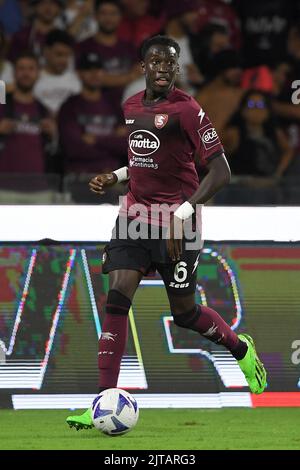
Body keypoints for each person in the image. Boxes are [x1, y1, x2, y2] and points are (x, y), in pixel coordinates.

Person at [66, 35, 267, 430]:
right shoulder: (130, 106)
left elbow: (221, 171)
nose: (162, 67)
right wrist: (118, 175)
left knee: (185, 314)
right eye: (155, 60)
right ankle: (102, 403)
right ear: (142, 66)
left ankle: (241, 350)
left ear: (177, 68)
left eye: (170, 62)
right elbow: (146, 159)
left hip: (180, 223)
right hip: (135, 219)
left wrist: (183, 212)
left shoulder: (188, 110)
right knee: (116, 300)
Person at [58, 52, 127, 175]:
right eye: (88, 69)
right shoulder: (70, 106)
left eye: (98, 69)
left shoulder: (113, 105)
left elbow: (125, 145)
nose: (94, 74)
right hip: (80, 178)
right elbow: (73, 149)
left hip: (111, 180)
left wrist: (96, 140)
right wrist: (112, 139)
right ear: (79, 73)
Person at [0, 52, 57, 175]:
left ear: (38, 74)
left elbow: (53, 149)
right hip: (4, 186)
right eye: (21, 68)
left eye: (31, 69)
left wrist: (53, 135)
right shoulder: (2, 105)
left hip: (38, 187)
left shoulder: (44, 110)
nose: (26, 74)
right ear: (14, 73)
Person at [76, 0, 140, 107]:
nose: (108, 18)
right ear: (95, 16)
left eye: (113, 13)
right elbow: (93, 78)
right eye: (103, 13)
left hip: (128, 105)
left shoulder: (129, 47)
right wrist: (129, 77)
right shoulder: (84, 47)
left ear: (120, 17)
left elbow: (138, 71)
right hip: (95, 106)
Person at [34, 29, 81, 115]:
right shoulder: (33, 79)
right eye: (59, 54)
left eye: (67, 55)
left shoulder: (78, 81)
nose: (63, 60)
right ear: (46, 52)